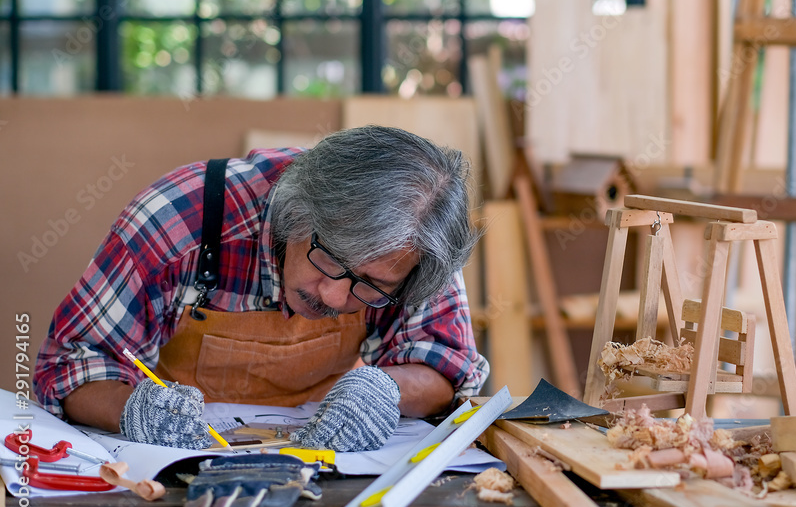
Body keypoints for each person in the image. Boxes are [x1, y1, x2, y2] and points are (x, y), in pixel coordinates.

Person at [33, 125, 489, 452]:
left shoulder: (419, 240)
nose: (333, 298)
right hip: (178, 466)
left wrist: (386, 389)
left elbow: (445, 366)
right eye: (328, 260)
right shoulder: (177, 220)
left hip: (327, 471)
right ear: (297, 214)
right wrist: (132, 409)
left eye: (369, 286)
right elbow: (71, 367)